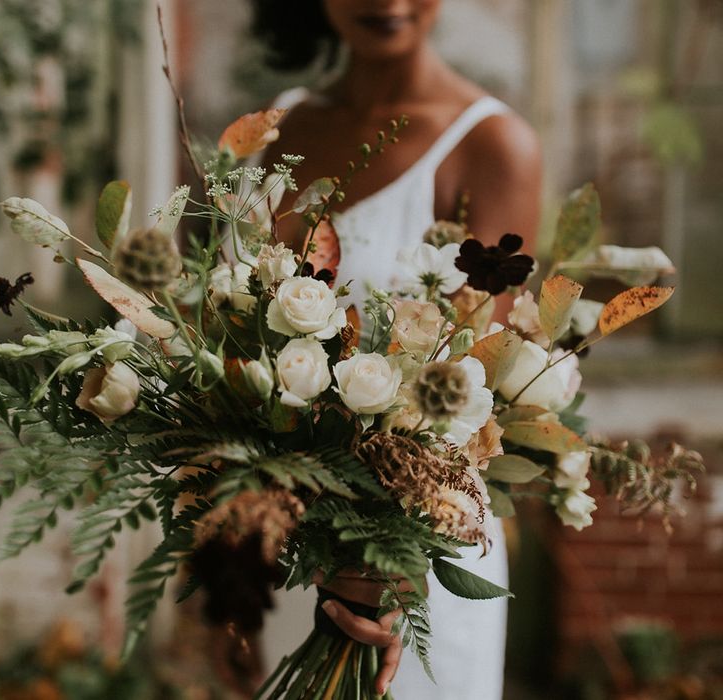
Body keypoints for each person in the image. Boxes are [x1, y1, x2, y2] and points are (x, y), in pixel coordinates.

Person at [245, 1, 542, 698]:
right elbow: (225, 356)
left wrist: (374, 565)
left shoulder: (494, 146)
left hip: (412, 562)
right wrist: (228, 578)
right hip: (285, 554)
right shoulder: (274, 128)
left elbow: (474, 391)